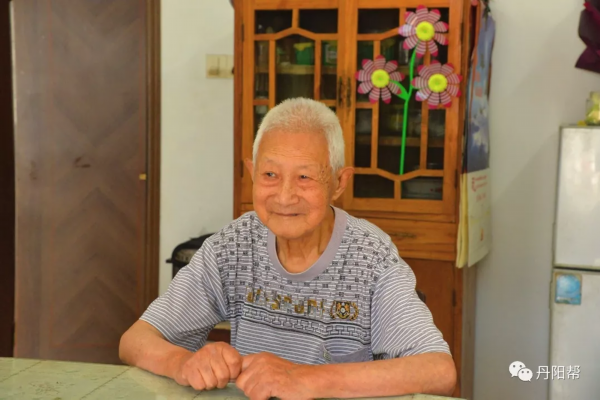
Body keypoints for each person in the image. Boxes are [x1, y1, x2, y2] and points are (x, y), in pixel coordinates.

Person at [119, 98, 456, 400]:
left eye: (305, 177)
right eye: (270, 174)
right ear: (251, 174)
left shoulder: (371, 257)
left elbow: (438, 371)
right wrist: (184, 363)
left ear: (339, 183)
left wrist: (306, 379)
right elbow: (135, 340)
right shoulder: (234, 245)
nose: (284, 196)